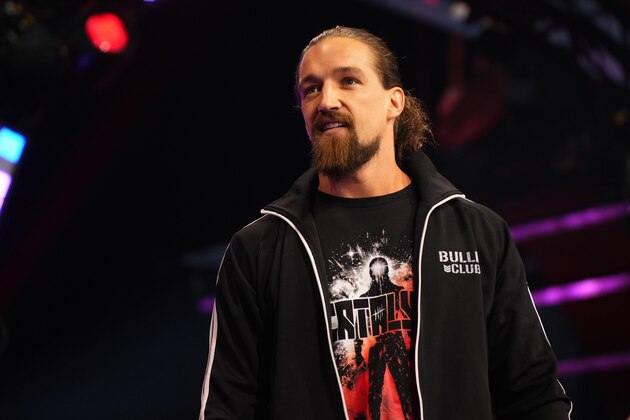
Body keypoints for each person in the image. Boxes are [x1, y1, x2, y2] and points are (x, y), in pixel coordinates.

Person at [198, 25, 573, 420]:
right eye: (311, 89)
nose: (326, 100)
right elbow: (227, 406)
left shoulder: (476, 232)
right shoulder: (258, 248)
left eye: (348, 81)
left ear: (394, 102)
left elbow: (533, 392)